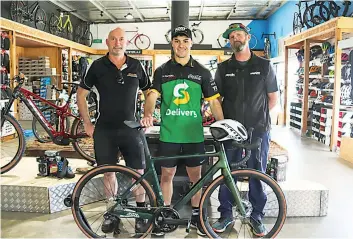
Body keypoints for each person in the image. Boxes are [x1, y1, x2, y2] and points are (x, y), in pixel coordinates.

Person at [140, 25, 224, 236]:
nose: (181, 45)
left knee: (195, 177)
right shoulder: (162, 71)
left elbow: (214, 102)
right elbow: (151, 96)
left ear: (191, 44)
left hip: (193, 135)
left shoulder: (203, 72)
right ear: (172, 44)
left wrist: (223, 124)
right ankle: (164, 216)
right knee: (166, 175)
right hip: (169, 134)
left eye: (185, 41)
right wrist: (148, 113)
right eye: (177, 41)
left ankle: (197, 217)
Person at [77, 27, 151, 234]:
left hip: (131, 128)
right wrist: (87, 123)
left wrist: (147, 115)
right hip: (105, 129)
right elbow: (80, 94)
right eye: (113, 39)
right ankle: (112, 212)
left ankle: (141, 213)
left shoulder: (137, 65)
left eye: (121, 39)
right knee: (108, 173)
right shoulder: (97, 66)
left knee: (138, 172)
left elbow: (149, 92)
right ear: (107, 43)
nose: (117, 43)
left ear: (126, 43)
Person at [212, 23, 278, 236]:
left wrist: (257, 119)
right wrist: (224, 124)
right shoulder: (223, 68)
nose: (235, 39)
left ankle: (257, 216)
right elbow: (216, 100)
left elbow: (273, 99)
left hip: (258, 130)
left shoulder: (265, 66)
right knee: (227, 172)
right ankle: (226, 215)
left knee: (257, 172)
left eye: (238, 34)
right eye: (231, 36)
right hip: (230, 131)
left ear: (248, 37)